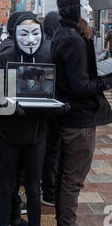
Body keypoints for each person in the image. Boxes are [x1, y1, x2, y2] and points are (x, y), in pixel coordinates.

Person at [51, 0, 112, 226]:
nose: (89, 9)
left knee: (67, 179)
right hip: (78, 121)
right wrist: (108, 80)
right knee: (73, 181)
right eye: (85, 5)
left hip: (70, 118)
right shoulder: (73, 39)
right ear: (74, 7)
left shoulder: (66, 34)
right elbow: (80, 86)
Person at [0, 12, 58, 226]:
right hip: (9, 136)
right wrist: (7, 105)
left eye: (35, 33)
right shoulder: (3, 59)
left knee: (34, 190)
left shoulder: (47, 59)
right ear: (14, 34)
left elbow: (56, 90)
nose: (30, 39)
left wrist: (56, 108)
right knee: (6, 189)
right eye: (24, 33)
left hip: (37, 135)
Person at [41, 11, 61, 207]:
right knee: (52, 150)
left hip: (38, 109)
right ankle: (49, 191)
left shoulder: (41, 47)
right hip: (54, 109)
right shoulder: (56, 48)